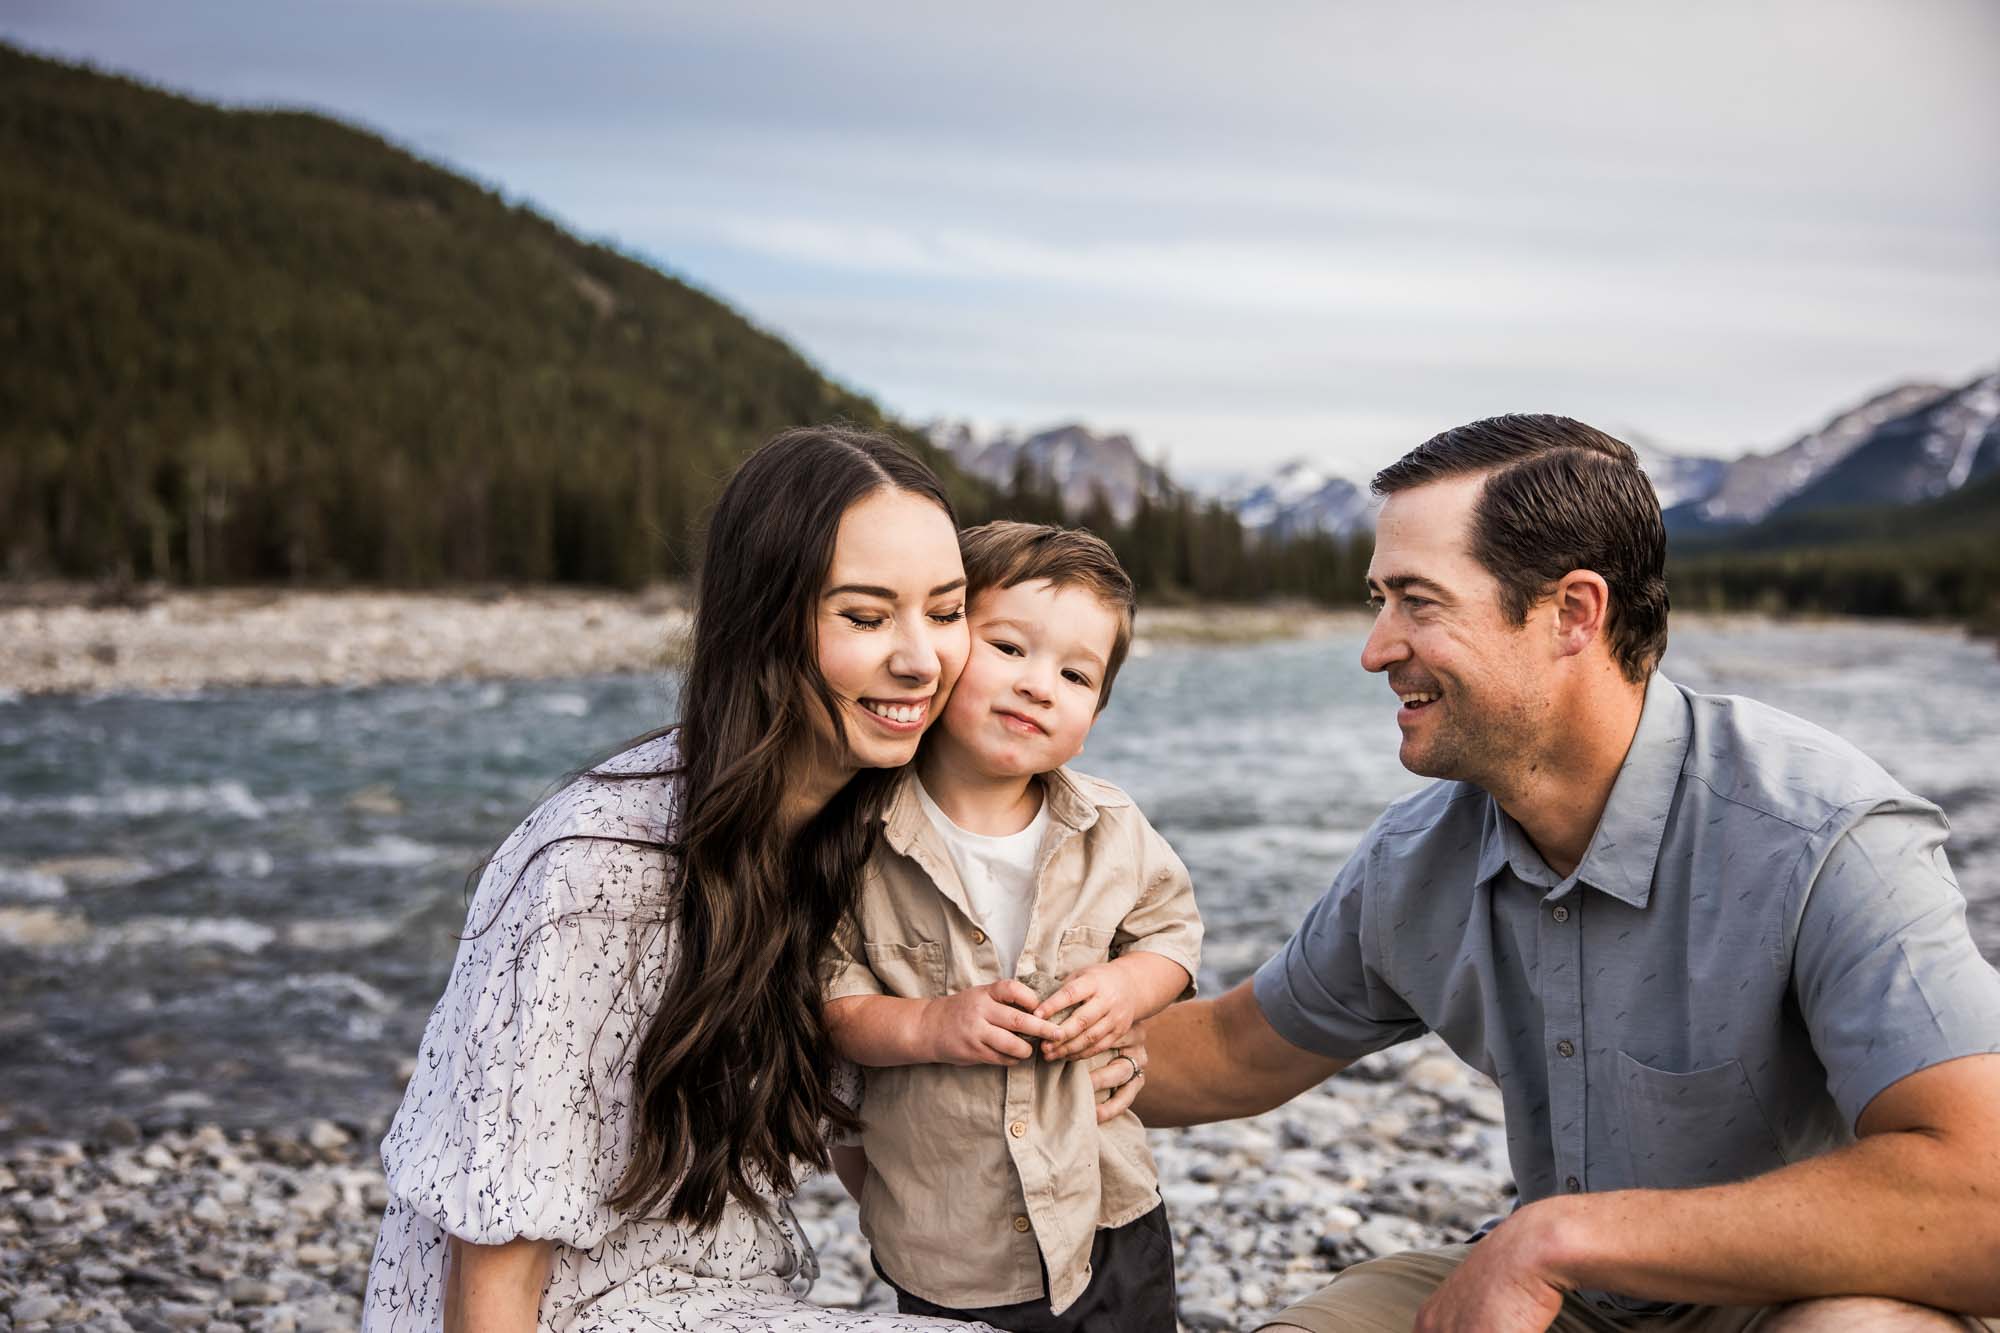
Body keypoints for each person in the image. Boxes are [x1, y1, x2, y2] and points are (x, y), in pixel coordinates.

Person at [1132, 414, 2000, 1332]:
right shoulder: (1415, 859)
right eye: (1377, 600)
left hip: (1797, 1291)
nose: (1376, 648)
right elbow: (1233, 1052)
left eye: (1418, 602)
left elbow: (1983, 1201)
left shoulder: (1824, 835)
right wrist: (1028, 1027)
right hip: (1569, 1295)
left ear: (1573, 614)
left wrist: (1558, 1237)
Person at [360, 428, 1148, 1332]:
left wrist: (1105, 1049)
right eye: (865, 617)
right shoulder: (604, 866)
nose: (921, 659)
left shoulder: (873, 824)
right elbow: (497, 1249)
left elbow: (892, 1103)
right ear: (764, 620)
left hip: (725, 1297)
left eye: (945, 612)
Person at [822, 522, 1202, 1332]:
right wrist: (930, 1024)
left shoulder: (1112, 825)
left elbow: (1172, 934)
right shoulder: (857, 839)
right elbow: (830, 996)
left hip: (1107, 1206)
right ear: (948, 644)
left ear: (1095, 711)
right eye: (1008, 647)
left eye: (1075, 674)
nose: (1039, 686)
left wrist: (1128, 988)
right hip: (951, 1233)